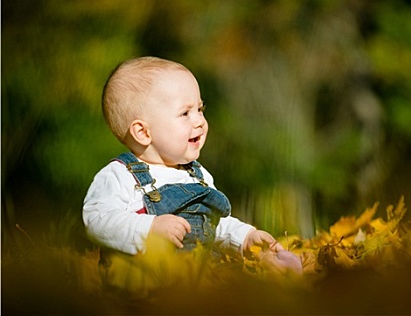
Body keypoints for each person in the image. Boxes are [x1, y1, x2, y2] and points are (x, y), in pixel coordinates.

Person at [83, 57, 284, 287]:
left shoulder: (197, 175)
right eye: (185, 113)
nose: (199, 121)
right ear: (142, 132)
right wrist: (149, 228)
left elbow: (213, 224)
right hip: (141, 285)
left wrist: (245, 238)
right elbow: (97, 219)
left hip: (197, 281)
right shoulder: (121, 176)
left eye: (200, 108)